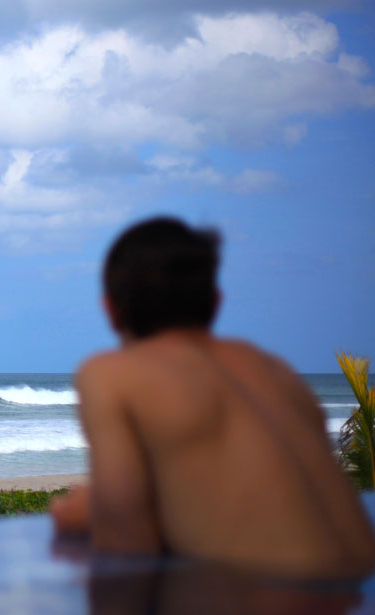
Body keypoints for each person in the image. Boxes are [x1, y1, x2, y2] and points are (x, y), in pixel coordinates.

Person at [49, 216, 375, 578]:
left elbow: (126, 541)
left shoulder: (109, 374)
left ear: (109, 309)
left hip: (271, 608)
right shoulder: (274, 370)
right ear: (216, 302)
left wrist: (88, 515)